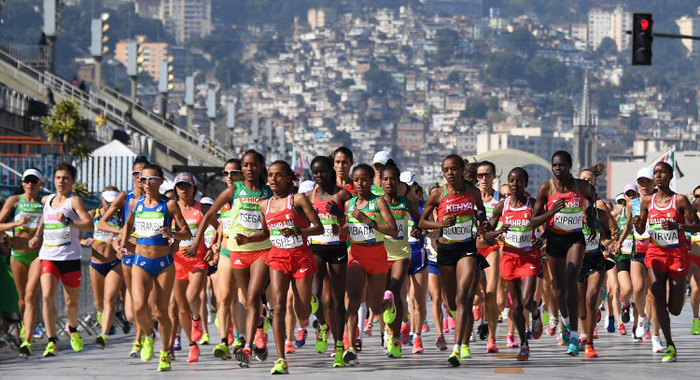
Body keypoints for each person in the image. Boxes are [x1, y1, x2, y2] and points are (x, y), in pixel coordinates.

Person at [187, 150, 273, 366]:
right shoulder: (234, 190)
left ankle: (247, 345)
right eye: (245, 165)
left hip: (262, 249)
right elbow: (208, 215)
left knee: (252, 298)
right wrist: (198, 242)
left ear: (261, 166)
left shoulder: (268, 192)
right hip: (237, 251)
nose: (249, 169)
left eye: (254, 165)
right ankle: (259, 329)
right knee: (243, 297)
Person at [252, 160, 323, 374]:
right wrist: (247, 239)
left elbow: (318, 228)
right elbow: (266, 232)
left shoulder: (298, 199)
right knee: (279, 306)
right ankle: (280, 359)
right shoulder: (264, 205)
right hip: (278, 258)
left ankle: (309, 299)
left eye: (278, 175)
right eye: (270, 175)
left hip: (300, 256)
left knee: (302, 313)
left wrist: (298, 233)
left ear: (289, 178)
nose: (273, 179)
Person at [119, 163, 191, 371]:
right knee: (138, 307)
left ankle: (165, 353)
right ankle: (149, 335)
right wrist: (123, 245)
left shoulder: (169, 205)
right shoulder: (134, 203)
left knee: (161, 312)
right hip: (140, 261)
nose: (147, 183)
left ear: (161, 181)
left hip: (163, 263)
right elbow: (127, 225)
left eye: (152, 179)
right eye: (143, 179)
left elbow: (186, 232)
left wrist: (173, 234)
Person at [418, 154, 488, 367]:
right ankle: (463, 327)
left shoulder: (473, 192)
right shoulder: (439, 194)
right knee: (451, 303)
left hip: (467, 248)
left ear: (460, 169)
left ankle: (457, 347)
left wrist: (482, 222)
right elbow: (422, 222)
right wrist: (440, 225)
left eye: (454, 169)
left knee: (463, 296)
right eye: (446, 170)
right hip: (446, 249)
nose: (450, 173)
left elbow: (481, 211)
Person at [533, 150, 597, 356]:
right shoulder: (546, 188)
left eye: (561, 164)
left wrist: (589, 214)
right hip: (554, 239)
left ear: (569, 165)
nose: (557, 168)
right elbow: (533, 220)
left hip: (575, 238)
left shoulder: (582, 186)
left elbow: (592, 202)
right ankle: (566, 323)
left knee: (572, 278)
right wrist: (551, 212)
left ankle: (576, 335)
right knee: (558, 289)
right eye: (555, 165)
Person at [634, 161, 700, 362]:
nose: (658, 175)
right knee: (658, 300)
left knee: (676, 309)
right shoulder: (647, 201)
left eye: (662, 172)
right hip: (655, 253)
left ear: (670, 177)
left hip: (677, 254)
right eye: (655, 172)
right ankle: (670, 344)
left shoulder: (679, 200)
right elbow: (641, 228)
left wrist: (678, 225)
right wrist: (637, 225)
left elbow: (696, 226)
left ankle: (676, 303)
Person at [26, 163, 93, 357]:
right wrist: (38, 236)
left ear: (72, 181)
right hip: (48, 255)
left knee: (71, 302)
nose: (61, 181)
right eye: (58, 178)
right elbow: (45, 218)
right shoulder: (47, 199)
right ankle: (51, 340)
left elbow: (88, 225)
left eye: (65, 178)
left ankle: (72, 329)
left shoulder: (74, 201)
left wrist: (70, 222)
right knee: (46, 296)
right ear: (53, 180)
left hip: (70, 257)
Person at [485, 167, 547, 361]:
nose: (514, 184)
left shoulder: (533, 204)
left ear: (525, 184)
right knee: (516, 306)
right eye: (511, 181)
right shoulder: (501, 206)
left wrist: (541, 239)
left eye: (519, 181)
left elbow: (549, 227)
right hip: (509, 257)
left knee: (528, 301)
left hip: (529, 256)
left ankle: (536, 314)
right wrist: (497, 232)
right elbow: (487, 236)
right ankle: (524, 344)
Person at [341, 164, 398, 365]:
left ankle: (387, 303)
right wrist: (341, 231)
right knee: (353, 300)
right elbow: (348, 229)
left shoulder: (379, 202)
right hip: (356, 254)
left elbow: (393, 230)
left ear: (370, 181)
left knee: (375, 306)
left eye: (364, 180)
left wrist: (367, 220)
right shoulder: (349, 204)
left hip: (377, 255)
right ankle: (350, 346)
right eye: (356, 180)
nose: (359, 184)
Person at [96, 156, 149, 357]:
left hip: (149, 256)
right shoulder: (126, 197)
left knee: (143, 303)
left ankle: (140, 340)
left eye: (143, 173)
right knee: (130, 312)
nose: (139, 177)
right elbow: (101, 223)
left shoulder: (156, 199)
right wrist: (120, 232)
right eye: (136, 173)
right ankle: (145, 333)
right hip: (128, 255)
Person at [306, 156, 352, 365]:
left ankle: (340, 346)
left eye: (323, 171)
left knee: (335, 300)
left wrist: (340, 214)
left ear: (330, 172)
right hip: (316, 247)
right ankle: (323, 326)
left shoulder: (342, 194)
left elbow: (354, 222)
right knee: (313, 295)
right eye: (315, 172)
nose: (319, 176)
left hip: (337, 249)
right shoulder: (308, 197)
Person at [0, 169, 45, 356]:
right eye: (27, 181)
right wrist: (16, 225)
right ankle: (23, 327)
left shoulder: (44, 202)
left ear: (40, 183)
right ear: (23, 182)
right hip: (18, 254)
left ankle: (27, 338)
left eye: (34, 181)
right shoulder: (15, 201)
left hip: (37, 254)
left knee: (30, 296)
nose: (30, 184)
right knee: (21, 298)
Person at [380, 164, 422, 358]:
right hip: (380, 255)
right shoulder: (377, 203)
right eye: (386, 179)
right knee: (387, 298)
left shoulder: (406, 202)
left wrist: (417, 230)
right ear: (380, 182)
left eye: (393, 179)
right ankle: (392, 335)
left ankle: (395, 338)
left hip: (402, 254)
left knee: (394, 291)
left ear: (399, 182)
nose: (389, 183)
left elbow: (419, 222)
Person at [171, 173, 212, 363]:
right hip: (177, 260)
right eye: (180, 186)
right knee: (180, 308)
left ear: (194, 188)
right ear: (175, 189)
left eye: (187, 186)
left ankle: (197, 319)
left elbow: (218, 227)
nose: (183, 189)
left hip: (197, 259)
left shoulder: (201, 209)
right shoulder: (170, 208)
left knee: (192, 296)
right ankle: (192, 346)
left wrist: (215, 247)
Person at [85, 187, 123, 349]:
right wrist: (85, 242)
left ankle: (103, 335)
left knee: (109, 299)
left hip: (115, 263)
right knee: (98, 302)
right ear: (102, 200)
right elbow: (76, 233)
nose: (110, 205)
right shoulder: (93, 214)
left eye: (113, 201)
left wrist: (118, 243)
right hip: (97, 263)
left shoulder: (120, 216)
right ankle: (104, 318)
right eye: (107, 201)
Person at [474, 161, 504, 352]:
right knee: (475, 296)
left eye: (487, 175)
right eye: (480, 175)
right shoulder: (470, 198)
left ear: (494, 176)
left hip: (492, 248)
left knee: (492, 295)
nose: (484, 179)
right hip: (472, 249)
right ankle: (476, 307)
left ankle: (492, 338)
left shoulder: (501, 199)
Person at [404, 174, 429, 354]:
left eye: (410, 186)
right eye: (403, 187)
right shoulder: (394, 207)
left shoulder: (423, 207)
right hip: (399, 255)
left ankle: (417, 336)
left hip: (418, 254)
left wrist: (425, 230)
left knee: (418, 301)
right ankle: (405, 324)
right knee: (401, 299)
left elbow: (431, 227)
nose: (407, 190)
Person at [689, 186, 700, 335]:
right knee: (696, 289)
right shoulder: (689, 214)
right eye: (697, 195)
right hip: (693, 255)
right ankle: (696, 319)